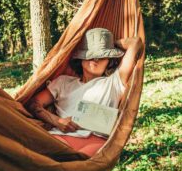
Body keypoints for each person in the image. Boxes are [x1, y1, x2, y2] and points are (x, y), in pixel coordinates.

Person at [27, 28, 143, 157]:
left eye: (102, 55)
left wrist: (110, 44)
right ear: (81, 59)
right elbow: (33, 103)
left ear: (109, 61)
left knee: (74, 162)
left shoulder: (114, 82)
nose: (95, 59)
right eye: (90, 54)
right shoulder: (63, 82)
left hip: (95, 142)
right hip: (59, 137)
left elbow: (136, 43)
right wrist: (57, 121)